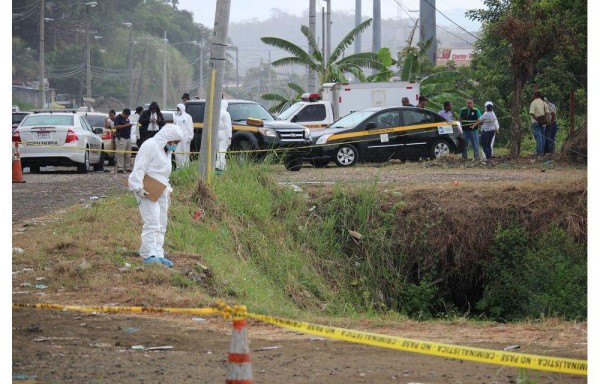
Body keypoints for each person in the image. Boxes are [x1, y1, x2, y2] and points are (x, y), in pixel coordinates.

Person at [128, 124, 184, 267]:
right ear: (168, 138)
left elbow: (163, 172)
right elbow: (140, 167)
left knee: (161, 223)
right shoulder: (150, 145)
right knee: (152, 221)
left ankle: (158, 253)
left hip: (160, 189)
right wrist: (138, 187)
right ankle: (148, 254)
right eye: (175, 143)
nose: (174, 146)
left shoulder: (165, 151)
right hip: (146, 190)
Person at [173, 103, 194, 167]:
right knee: (177, 152)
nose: (177, 110)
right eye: (177, 109)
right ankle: (178, 166)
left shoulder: (188, 117)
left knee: (185, 152)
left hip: (185, 136)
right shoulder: (176, 117)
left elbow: (190, 127)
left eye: (178, 109)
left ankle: (185, 166)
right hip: (177, 137)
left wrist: (190, 137)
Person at [113, 108, 134, 173]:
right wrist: (126, 125)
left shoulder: (127, 119)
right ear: (124, 113)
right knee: (120, 153)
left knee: (128, 153)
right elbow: (116, 127)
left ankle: (127, 167)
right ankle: (120, 167)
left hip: (128, 137)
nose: (127, 117)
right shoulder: (118, 118)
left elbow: (127, 125)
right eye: (126, 115)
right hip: (121, 137)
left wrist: (129, 126)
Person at [529, 91, 549, 155]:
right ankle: (542, 152)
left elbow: (532, 113)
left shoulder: (533, 103)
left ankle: (539, 152)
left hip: (535, 122)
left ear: (535, 96)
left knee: (538, 137)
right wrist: (544, 120)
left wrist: (538, 119)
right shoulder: (544, 103)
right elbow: (547, 113)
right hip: (543, 122)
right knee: (542, 137)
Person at [216, 100, 232, 173]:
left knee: (217, 150)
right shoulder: (226, 113)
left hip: (216, 133)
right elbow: (228, 126)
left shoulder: (216, 112)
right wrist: (229, 137)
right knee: (222, 150)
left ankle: (217, 165)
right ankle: (221, 167)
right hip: (224, 133)